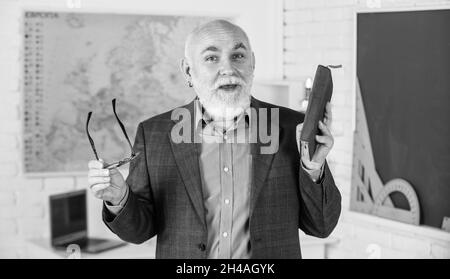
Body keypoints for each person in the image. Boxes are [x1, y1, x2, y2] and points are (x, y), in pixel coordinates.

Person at [87, 19, 341, 259]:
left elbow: (321, 226)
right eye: (211, 58)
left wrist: (313, 169)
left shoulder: (291, 128)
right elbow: (138, 231)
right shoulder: (154, 134)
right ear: (188, 70)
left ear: (252, 63)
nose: (228, 69)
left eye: (238, 56)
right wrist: (120, 199)